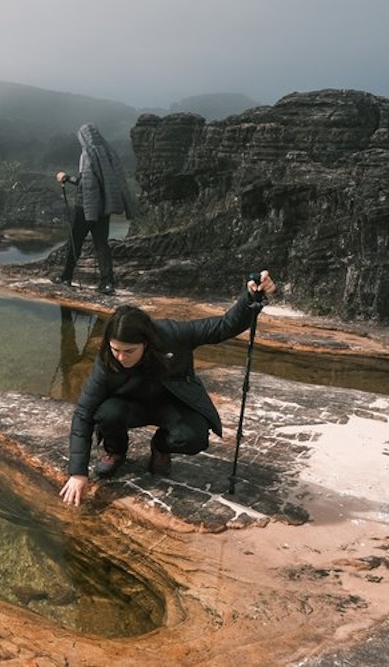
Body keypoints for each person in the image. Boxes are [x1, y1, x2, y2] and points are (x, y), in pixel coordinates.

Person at [58, 271, 278, 506]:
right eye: (115, 349)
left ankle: (160, 447)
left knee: (194, 438)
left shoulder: (172, 335)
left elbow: (223, 326)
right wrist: (78, 473)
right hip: (129, 406)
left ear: (146, 342)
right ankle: (116, 450)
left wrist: (250, 297)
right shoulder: (107, 361)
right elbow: (83, 413)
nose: (121, 357)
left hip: (170, 403)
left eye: (129, 351)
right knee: (105, 413)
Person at [55, 123, 137, 295]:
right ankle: (107, 283)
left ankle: (66, 277)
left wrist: (66, 178)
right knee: (101, 245)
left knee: (75, 242)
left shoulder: (87, 155)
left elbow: (86, 184)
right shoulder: (109, 154)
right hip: (103, 208)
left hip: (85, 208)